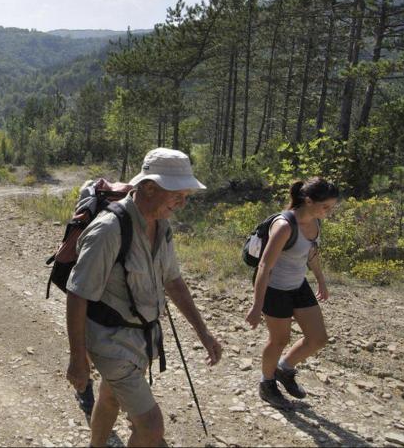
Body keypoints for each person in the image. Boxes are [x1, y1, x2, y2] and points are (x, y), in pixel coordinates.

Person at [65, 148, 222, 447]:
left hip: (142, 339)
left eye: (187, 195)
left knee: (110, 398)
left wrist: (204, 333)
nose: (183, 203)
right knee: (151, 428)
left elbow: (173, 281)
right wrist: (77, 360)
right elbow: (77, 294)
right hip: (110, 342)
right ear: (149, 187)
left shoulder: (162, 226)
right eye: (178, 194)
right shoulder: (109, 230)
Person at [245, 177, 339, 410]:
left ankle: (283, 369)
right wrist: (257, 306)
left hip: (298, 285)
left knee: (318, 338)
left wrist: (320, 280)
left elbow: (311, 254)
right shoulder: (284, 225)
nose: (329, 212)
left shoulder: (315, 222)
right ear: (308, 200)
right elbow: (265, 266)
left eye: (331, 207)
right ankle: (267, 384)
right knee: (279, 340)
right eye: (325, 206)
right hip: (275, 289)